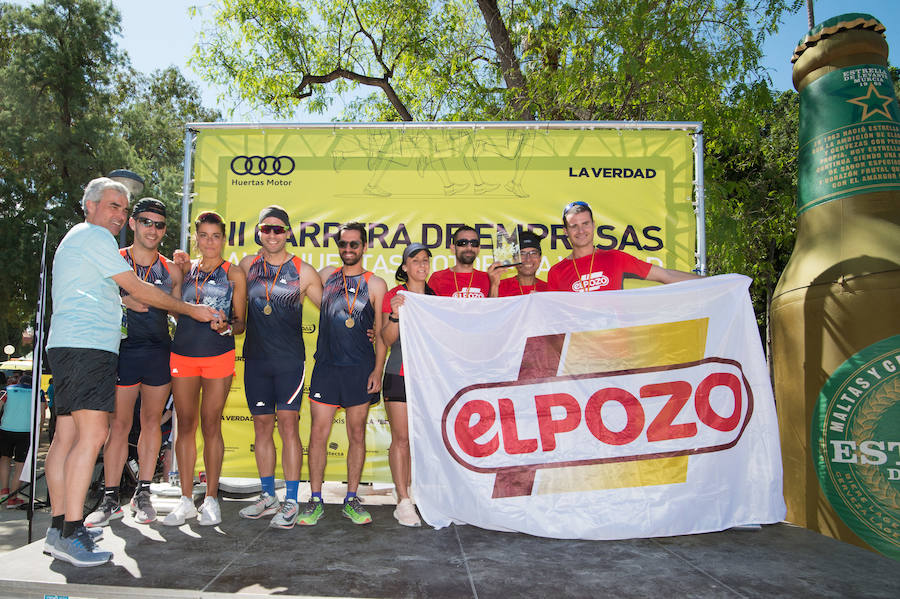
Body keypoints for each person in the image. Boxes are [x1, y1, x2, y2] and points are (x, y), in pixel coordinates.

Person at [44, 177, 217, 567]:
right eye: (113, 206)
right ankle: (71, 531)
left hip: (76, 344)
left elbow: (124, 290)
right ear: (88, 206)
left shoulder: (81, 238)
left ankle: (59, 528)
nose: (119, 215)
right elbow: (136, 289)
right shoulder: (96, 238)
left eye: (123, 208)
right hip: (87, 347)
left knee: (67, 437)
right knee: (94, 435)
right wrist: (190, 310)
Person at [85, 198, 183, 528]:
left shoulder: (170, 269)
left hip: (158, 352)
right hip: (123, 352)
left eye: (158, 224)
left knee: (152, 422)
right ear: (133, 224)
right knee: (119, 425)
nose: (152, 229)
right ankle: (111, 497)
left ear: (165, 230)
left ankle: (143, 492)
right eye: (145, 222)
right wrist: (123, 298)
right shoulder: (114, 260)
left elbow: (178, 309)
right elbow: (92, 295)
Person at [237, 206, 323, 529]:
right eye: (266, 229)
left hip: (289, 363)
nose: (272, 234)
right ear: (259, 232)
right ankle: (267, 494)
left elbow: (330, 308)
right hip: (256, 361)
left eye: (278, 229)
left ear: (287, 232)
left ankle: (291, 500)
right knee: (261, 428)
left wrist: (366, 326)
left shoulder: (303, 270)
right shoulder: (247, 266)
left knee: (288, 427)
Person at [298, 222, 387, 526]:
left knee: (356, 435)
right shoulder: (325, 276)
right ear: (339, 247)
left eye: (354, 244)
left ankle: (351, 498)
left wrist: (377, 370)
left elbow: (382, 334)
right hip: (326, 368)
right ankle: (315, 499)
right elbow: (293, 292)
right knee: (318, 435)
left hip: (360, 371)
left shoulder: (376, 284)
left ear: (364, 247)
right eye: (344, 244)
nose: (349, 250)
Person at [162, 210, 247, 527]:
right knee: (185, 426)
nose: (209, 242)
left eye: (216, 236)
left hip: (218, 354)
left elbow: (241, 324)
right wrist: (178, 273)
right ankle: (185, 500)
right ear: (195, 239)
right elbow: (173, 309)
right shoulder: (185, 270)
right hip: (182, 354)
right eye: (204, 235)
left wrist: (227, 326)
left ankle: (211, 499)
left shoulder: (234, 273)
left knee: (212, 425)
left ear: (223, 239)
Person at [380, 242, 436, 527]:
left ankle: (422, 495)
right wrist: (395, 314)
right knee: (401, 438)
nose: (422, 265)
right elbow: (387, 339)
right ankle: (403, 501)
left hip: (428, 379)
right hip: (398, 374)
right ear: (405, 267)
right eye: (416, 261)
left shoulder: (435, 297)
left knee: (424, 440)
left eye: (426, 260)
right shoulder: (394, 295)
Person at [547, 201, 700, 292]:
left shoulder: (615, 258)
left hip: (616, 344)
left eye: (585, 224)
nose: (581, 231)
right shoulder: (556, 272)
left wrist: (715, 282)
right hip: (578, 345)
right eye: (574, 226)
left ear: (593, 225)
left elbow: (665, 275)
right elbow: (552, 320)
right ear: (565, 231)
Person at [0, 374, 42, 508]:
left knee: (4, 458)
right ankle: (12, 498)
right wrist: (38, 434)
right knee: (20, 464)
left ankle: (4, 491)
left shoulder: (7, 389)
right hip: (25, 431)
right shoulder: (38, 392)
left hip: (5, 429)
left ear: (19, 381)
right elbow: (41, 414)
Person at [427, 226, 498, 298]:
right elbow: (428, 308)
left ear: (478, 249)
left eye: (474, 243)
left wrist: (494, 284)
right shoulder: (437, 278)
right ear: (453, 248)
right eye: (463, 243)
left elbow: (494, 308)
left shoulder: (488, 279)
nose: (469, 248)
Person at [488, 230, 549, 297]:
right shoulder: (499, 287)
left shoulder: (549, 291)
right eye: (522, 254)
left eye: (533, 253)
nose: (528, 259)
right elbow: (491, 307)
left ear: (540, 258)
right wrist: (494, 286)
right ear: (514, 259)